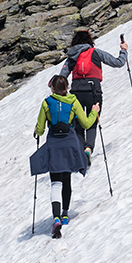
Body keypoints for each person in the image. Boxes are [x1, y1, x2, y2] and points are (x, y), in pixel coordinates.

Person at [29, 74, 97, 238]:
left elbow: (40, 129)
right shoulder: (73, 101)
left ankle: (56, 218)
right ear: (67, 88)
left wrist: (36, 131)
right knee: (67, 179)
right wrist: (94, 112)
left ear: (52, 88)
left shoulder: (46, 103)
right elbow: (86, 123)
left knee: (55, 183)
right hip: (70, 144)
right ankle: (65, 215)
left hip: (54, 144)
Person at [61, 27, 128, 157]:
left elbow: (62, 76)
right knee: (92, 121)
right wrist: (123, 50)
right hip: (94, 92)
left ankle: (81, 153)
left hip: (76, 94)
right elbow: (118, 63)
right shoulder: (96, 52)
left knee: (78, 124)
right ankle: (88, 149)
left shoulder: (72, 56)